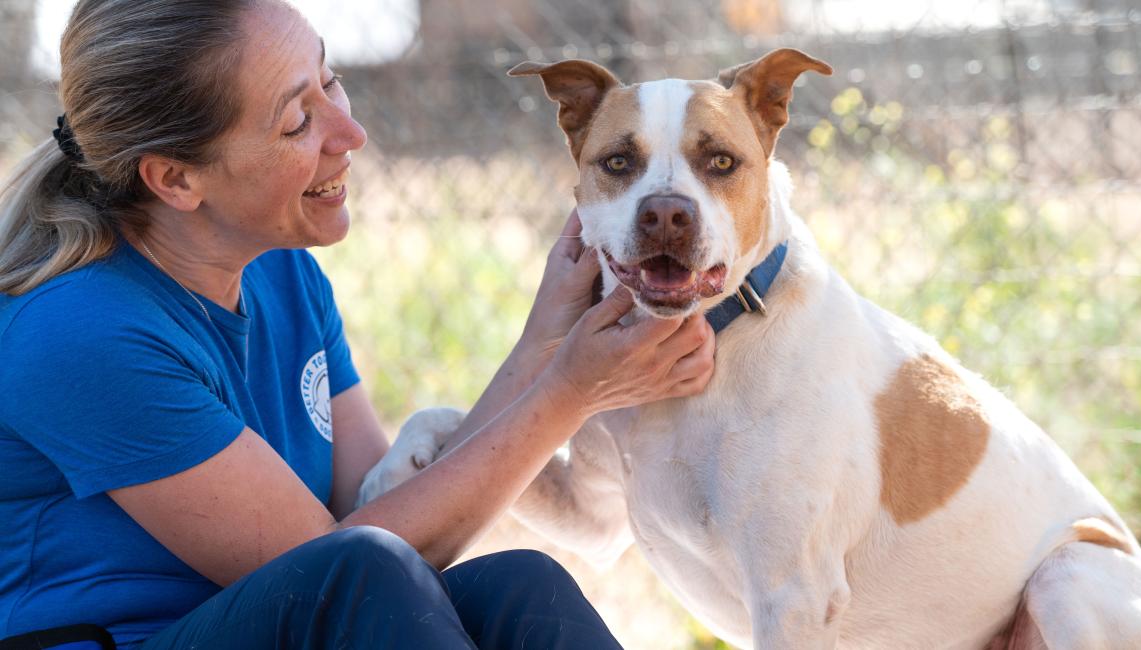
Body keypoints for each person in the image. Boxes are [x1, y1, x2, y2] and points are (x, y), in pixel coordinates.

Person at [0, 1, 716, 648]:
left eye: (329, 79)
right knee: (363, 572)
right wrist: (572, 393)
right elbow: (336, 570)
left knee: (521, 589)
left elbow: (387, 509)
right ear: (177, 180)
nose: (351, 132)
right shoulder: (82, 332)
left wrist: (546, 343)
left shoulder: (280, 271)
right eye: (296, 122)